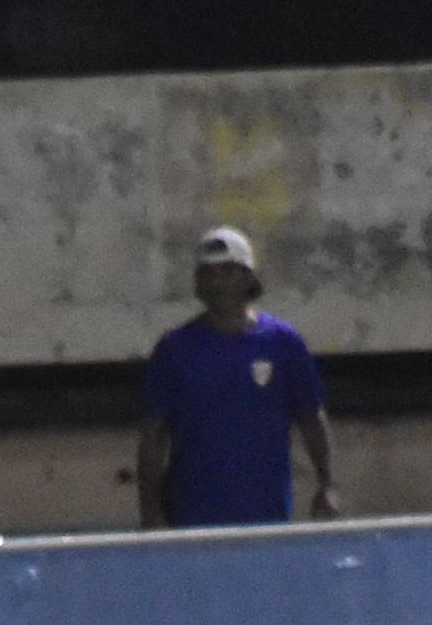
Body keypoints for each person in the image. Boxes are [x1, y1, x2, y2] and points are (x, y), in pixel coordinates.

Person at [137, 226, 338, 530]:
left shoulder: (282, 343)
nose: (218, 282)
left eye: (227, 271)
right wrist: (150, 512)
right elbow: (153, 435)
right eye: (208, 273)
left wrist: (328, 484)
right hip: (191, 519)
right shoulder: (175, 350)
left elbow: (311, 417)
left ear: (248, 278)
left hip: (266, 516)